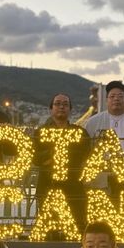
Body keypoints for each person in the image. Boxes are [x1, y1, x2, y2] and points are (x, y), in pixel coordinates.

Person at [34, 93, 91, 231]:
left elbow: (86, 156)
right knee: (49, 228)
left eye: (65, 104)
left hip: (74, 188)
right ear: (51, 108)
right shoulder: (41, 132)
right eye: (57, 104)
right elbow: (35, 158)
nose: (61, 107)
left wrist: (52, 158)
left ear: (70, 109)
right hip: (47, 186)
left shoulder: (80, 133)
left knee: (78, 225)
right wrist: (55, 153)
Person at [83, 80, 124, 196]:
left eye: (120, 96)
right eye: (112, 96)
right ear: (106, 100)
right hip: (100, 180)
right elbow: (86, 151)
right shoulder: (93, 122)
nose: (116, 99)